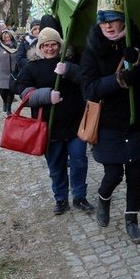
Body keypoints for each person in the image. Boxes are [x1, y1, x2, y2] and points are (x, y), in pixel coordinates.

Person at [79, 0, 140, 244]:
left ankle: (131, 220)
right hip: (108, 123)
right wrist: (118, 80)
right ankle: (103, 199)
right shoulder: (93, 50)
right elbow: (89, 89)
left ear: (123, 20)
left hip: (135, 121)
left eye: (113, 19)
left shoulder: (136, 44)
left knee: (135, 174)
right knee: (113, 175)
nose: (108, 25)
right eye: (103, 21)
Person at [17, 27, 93, 215]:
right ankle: (60, 199)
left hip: (75, 123)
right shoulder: (30, 67)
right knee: (56, 166)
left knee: (79, 161)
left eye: (54, 45)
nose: (50, 49)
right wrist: (45, 95)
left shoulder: (69, 61)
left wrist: (69, 70)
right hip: (49, 127)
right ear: (39, 47)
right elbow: (23, 93)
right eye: (46, 45)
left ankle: (79, 196)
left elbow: (85, 79)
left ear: (60, 45)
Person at [0, 30, 18, 115]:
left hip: (13, 73)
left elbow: (19, 58)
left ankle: (8, 107)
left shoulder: (16, 46)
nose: (7, 39)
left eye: (9, 37)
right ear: (2, 38)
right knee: (3, 91)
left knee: (11, 91)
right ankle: (4, 101)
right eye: (5, 38)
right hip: (1, 72)